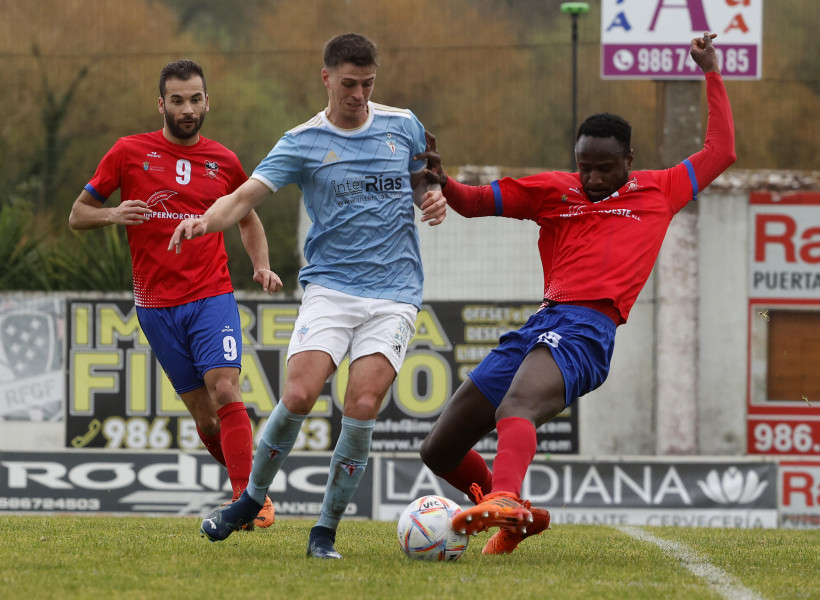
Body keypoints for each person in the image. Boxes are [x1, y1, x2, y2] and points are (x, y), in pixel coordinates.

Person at [419, 33, 736, 555]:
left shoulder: (661, 189)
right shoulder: (554, 189)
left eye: (604, 167)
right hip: (540, 323)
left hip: (590, 326)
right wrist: (443, 180)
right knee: (440, 448)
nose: (591, 177)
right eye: (584, 165)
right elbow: (474, 202)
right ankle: (513, 514)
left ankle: (504, 498)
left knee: (517, 404)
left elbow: (721, 150)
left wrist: (712, 72)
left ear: (628, 160)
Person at [168, 33, 447, 558]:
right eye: (348, 84)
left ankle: (325, 530)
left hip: (395, 291)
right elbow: (244, 196)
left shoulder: (403, 125)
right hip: (331, 287)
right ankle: (250, 499)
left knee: (361, 403)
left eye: (367, 84)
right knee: (298, 394)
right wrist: (204, 222)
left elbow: (425, 179)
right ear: (326, 78)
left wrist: (431, 198)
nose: (359, 95)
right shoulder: (301, 141)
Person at [69, 59, 282, 529]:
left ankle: (250, 504)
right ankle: (248, 489)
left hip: (212, 294)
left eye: (196, 99)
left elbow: (246, 215)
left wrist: (261, 265)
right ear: (161, 103)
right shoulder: (127, 152)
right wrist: (113, 215)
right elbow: (77, 214)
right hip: (156, 307)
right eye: (178, 100)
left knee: (226, 388)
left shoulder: (224, 160)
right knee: (207, 422)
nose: (188, 109)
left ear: (208, 101)